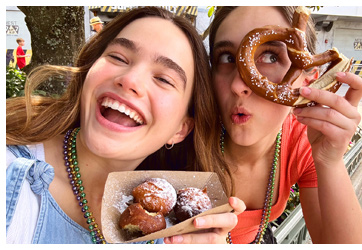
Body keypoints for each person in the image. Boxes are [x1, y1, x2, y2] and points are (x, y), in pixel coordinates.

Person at [6, 7, 244, 244]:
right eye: (118, 57)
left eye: (163, 79)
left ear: (180, 129)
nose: (130, 80)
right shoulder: (11, 175)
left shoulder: (172, 231)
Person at [205, 6, 362, 244]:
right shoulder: (182, 136)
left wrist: (330, 161)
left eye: (271, 57)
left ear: (309, 80)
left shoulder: (302, 140)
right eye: (227, 58)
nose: (238, 85)